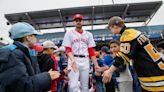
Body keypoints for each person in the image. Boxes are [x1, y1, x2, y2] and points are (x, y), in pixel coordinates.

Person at [102, 16, 164, 92]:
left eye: (110, 28)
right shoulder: (133, 32)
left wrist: (109, 71)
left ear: (114, 26)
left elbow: (122, 57)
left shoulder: (127, 34)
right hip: (155, 70)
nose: (110, 31)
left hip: (153, 74)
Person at [0, 22, 60, 92]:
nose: (35, 38)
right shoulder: (13, 54)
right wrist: (47, 77)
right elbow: (20, 87)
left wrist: (47, 76)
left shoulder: (24, 52)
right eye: (34, 35)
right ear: (28, 37)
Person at [62, 14, 100, 92]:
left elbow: (91, 51)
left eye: (80, 20)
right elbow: (68, 49)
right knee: (72, 86)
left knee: (85, 86)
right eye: (76, 20)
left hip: (85, 60)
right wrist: (72, 60)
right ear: (74, 22)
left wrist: (96, 65)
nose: (78, 22)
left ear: (83, 22)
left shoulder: (89, 34)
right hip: (74, 58)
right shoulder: (69, 33)